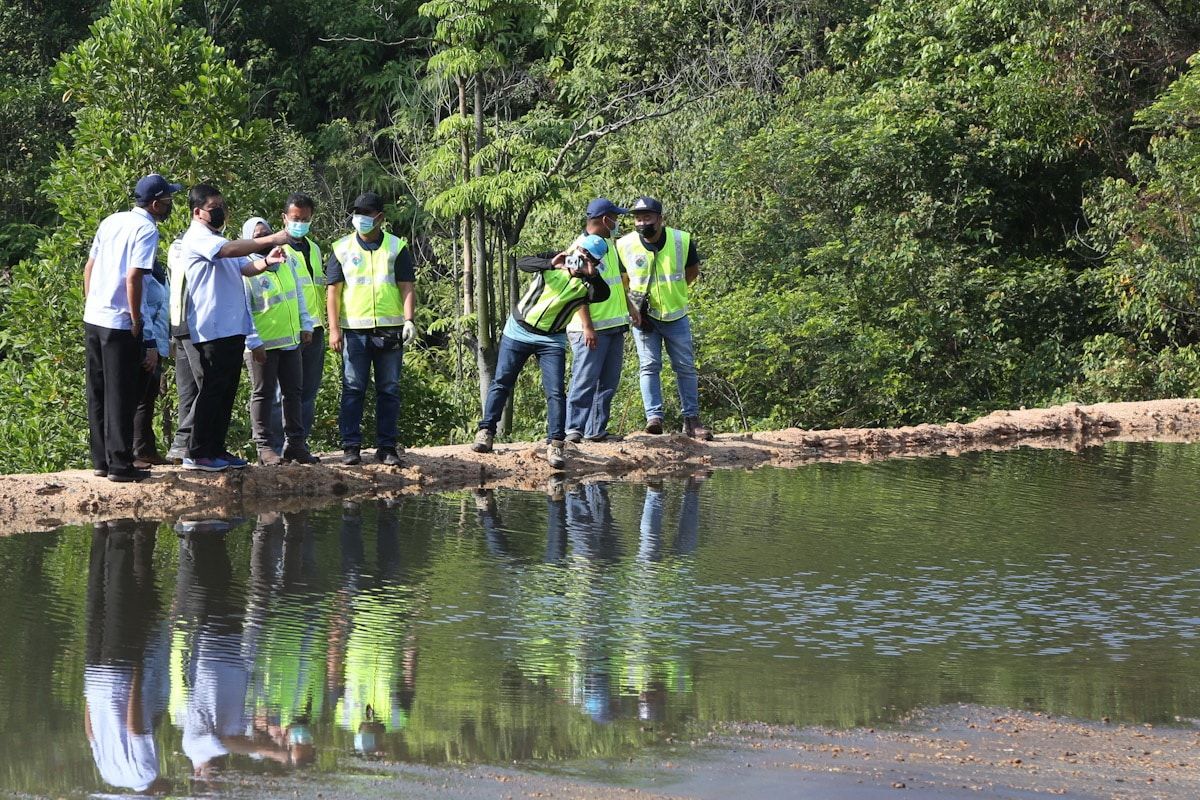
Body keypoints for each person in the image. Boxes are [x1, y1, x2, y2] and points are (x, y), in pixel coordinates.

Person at [471, 235, 612, 470]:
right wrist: (550, 263)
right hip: (518, 330)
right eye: (582, 252)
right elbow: (522, 263)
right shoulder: (555, 259)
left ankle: (555, 443)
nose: (582, 258)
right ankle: (486, 431)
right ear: (576, 248)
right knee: (502, 382)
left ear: (596, 263)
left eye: (589, 258)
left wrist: (592, 275)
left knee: (555, 392)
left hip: (552, 340)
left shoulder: (589, 284)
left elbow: (603, 295)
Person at [177, 184, 291, 471]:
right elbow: (228, 251)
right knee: (212, 390)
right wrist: (272, 238)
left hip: (231, 327)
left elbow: (244, 267)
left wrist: (267, 261)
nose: (220, 212)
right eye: (214, 208)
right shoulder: (198, 238)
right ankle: (197, 452)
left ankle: (215, 448)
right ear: (197, 212)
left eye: (222, 206)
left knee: (226, 391)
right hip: (212, 327)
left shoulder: (218, 238)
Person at [83, 173, 180, 482]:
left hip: (94, 317)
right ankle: (121, 466)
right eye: (168, 200)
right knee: (121, 393)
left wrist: (91, 303)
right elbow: (135, 276)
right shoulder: (146, 229)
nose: (171, 205)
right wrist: (137, 319)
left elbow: (90, 266)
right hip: (120, 322)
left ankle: (101, 461)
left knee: (98, 391)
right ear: (155, 204)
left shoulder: (111, 220)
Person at [325, 191, 417, 467]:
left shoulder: (396, 247)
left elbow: (406, 287)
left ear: (380, 217)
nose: (361, 218)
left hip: (390, 329)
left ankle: (386, 447)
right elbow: (333, 292)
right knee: (353, 388)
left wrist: (409, 320)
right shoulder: (341, 248)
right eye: (357, 213)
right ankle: (351, 447)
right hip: (354, 330)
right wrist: (333, 329)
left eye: (366, 214)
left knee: (389, 389)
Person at [618, 196, 712, 439]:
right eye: (638, 219)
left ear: (660, 219)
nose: (642, 223)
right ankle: (654, 418)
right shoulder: (624, 244)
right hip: (643, 317)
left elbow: (692, 272)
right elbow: (622, 282)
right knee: (649, 366)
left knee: (685, 367)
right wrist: (633, 308)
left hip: (675, 314)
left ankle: (691, 420)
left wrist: (675, 293)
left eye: (647, 217)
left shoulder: (682, 240)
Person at [240, 216, 318, 465]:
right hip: (262, 345)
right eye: (258, 236)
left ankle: (295, 444)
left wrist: (306, 324)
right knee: (263, 394)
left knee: (293, 393)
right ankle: (265, 448)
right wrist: (253, 341)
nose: (264, 239)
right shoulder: (245, 268)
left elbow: (298, 295)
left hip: (290, 341)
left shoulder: (285, 261)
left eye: (267, 233)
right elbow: (244, 309)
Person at [564, 198, 641, 444]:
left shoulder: (608, 244)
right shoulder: (580, 249)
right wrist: (587, 326)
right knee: (585, 380)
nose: (617, 223)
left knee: (608, 382)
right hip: (590, 328)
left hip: (614, 324)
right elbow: (575, 291)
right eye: (615, 218)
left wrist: (630, 307)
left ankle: (596, 430)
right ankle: (573, 430)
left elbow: (617, 282)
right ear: (605, 220)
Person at [267, 194, 326, 450]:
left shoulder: (314, 249)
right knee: (282, 394)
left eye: (305, 219)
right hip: (289, 330)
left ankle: (299, 444)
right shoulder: (277, 249)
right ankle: (275, 446)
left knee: (308, 392)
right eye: (295, 219)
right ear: (284, 218)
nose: (300, 224)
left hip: (315, 328)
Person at [132, 260, 170, 467]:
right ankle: (136, 451)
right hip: (145, 343)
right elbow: (142, 309)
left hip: (159, 342)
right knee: (139, 398)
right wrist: (149, 344)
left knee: (149, 397)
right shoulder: (139, 271)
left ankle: (146, 449)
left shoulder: (158, 268)